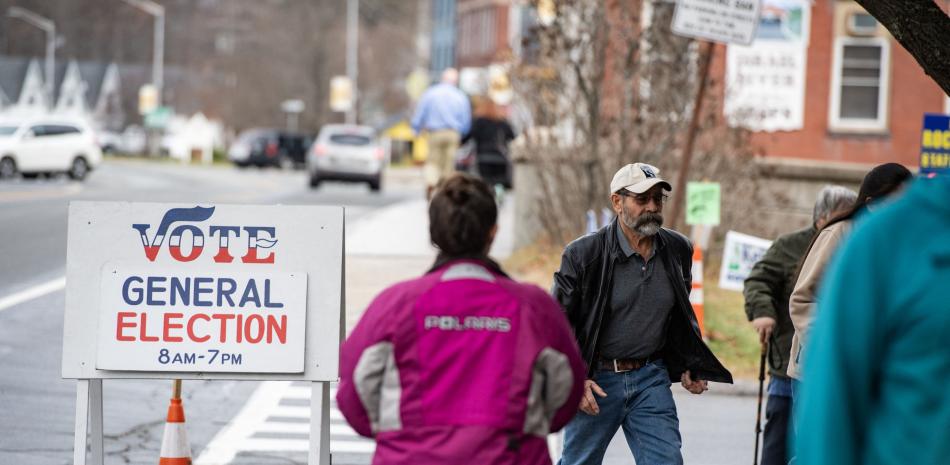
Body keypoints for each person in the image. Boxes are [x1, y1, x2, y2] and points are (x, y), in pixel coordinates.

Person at [336, 173, 586, 465]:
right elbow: (567, 393)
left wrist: (399, 437)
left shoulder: (394, 305)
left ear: (433, 234)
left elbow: (353, 391)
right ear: (493, 232)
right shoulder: (533, 308)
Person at [552, 163, 733, 465]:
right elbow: (556, 323)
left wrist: (690, 362)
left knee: (667, 461)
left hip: (650, 378)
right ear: (617, 202)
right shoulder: (584, 255)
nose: (652, 207)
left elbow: (678, 316)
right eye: (642, 199)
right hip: (597, 381)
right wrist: (575, 377)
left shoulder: (678, 249)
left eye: (658, 199)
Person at [794, 174, 950, 465]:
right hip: (818, 364)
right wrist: (822, 349)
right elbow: (802, 298)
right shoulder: (868, 239)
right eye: (893, 197)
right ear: (870, 202)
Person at [743, 185, 856, 465]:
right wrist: (762, 312)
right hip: (788, 358)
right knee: (779, 438)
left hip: (833, 361)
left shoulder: (854, 244)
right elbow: (759, 281)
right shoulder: (790, 245)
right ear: (822, 217)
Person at [787, 163, 912, 384]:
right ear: (872, 204)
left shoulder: (906, 245)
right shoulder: (838, 234)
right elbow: (803, 300)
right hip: (823, 372)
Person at [411, 68, 472, 198]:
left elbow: (420, 113)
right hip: (453, 133)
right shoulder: (460, 96)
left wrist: (416, 129)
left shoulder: (431, 93)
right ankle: (445, 190)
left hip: (435, 132)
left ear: (442, 79)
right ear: (455, 81)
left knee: (433, 161)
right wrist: (463, 135)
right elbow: (466, 120)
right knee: (449, 163)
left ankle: (431, 182)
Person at [461, 97, 516, 189]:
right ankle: (499, 195)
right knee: (499, 183)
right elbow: (513, 138)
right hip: (500, 159)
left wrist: (460, 142)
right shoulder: (503, 123)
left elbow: (468, 137)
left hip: (483, 159)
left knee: (486, 183)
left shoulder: (479, 122)